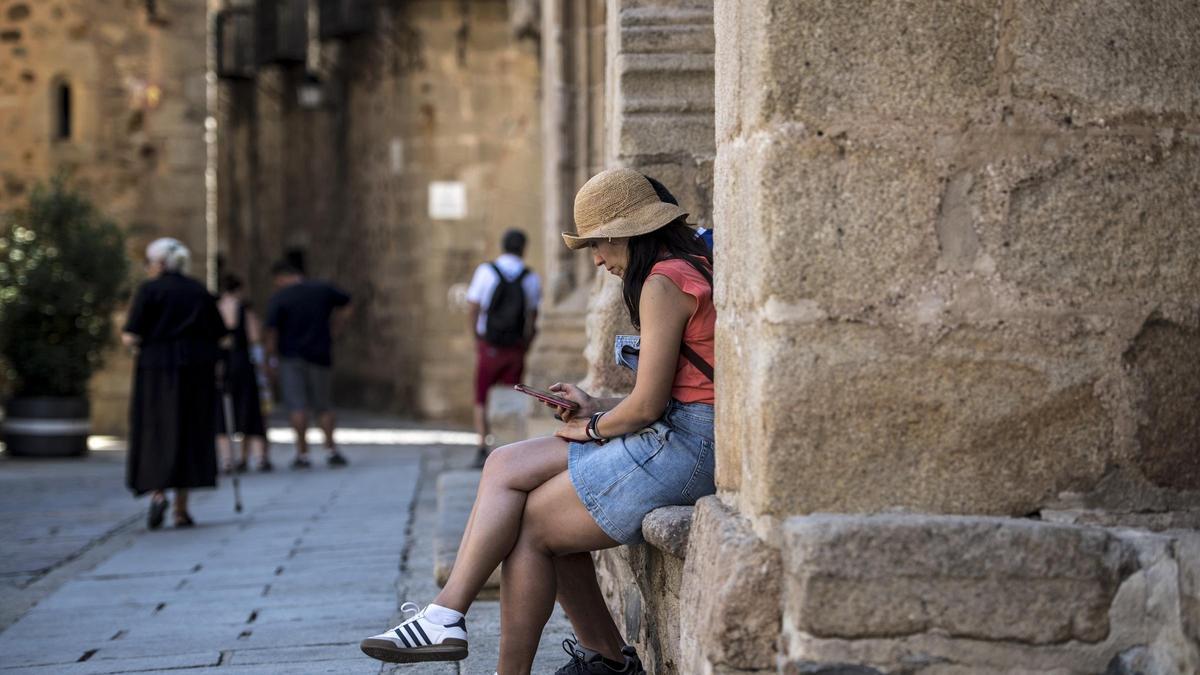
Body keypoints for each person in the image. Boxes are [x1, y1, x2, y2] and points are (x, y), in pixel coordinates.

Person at [360, 168, 715, 674]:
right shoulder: (687, 265)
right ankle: (449, 615)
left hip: (685, 446)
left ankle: (473, 628)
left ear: (623, 234)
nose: (597, 260)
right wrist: (594, 406)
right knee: (504, 464)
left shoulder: (662, 283)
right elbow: (670, 393)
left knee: (530, 529)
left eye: (597, 245)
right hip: (683, 433)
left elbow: (647, 408)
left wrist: (591, 428)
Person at [122, 238, 226, 529]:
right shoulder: (198, 290)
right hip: (196, 370)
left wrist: (138, 345)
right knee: (190, 431)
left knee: (156, 430)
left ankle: (158, 493)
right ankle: (181, 509)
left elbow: (131, 334)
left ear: (160, 264)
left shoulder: (149, 290)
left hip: (156, 370)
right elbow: (219, 333)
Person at [264, 260, 352, 469]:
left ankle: (302, 454)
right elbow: (348, 304)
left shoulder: (280, 297)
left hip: (291, 357)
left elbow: (271, 331)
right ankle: (331, 450)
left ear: (281, 278)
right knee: (324, 405)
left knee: (297, 405)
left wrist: (270, 360)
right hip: (320, 354)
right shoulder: (322, 289)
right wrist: (336, 328)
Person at [466, 229, 542, 466]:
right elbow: (533, 315)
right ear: (523, 249)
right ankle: (508, 449)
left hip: (489, 345)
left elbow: (473, 307)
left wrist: (476, 338)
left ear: (503, 246)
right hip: (515, 347)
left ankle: (482, 446)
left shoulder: (486, 271)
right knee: (511, 396)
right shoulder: (530, 277)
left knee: (482, 396)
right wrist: (527, 343)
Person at [215, 274, 271, 473]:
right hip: (242, 362)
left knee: (222, 413)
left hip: (221, 364)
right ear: (238, 290)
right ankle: (259, 457)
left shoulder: (215, 308)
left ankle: (226, 460)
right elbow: (254, 337)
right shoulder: (244, 310)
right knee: (250, 408)